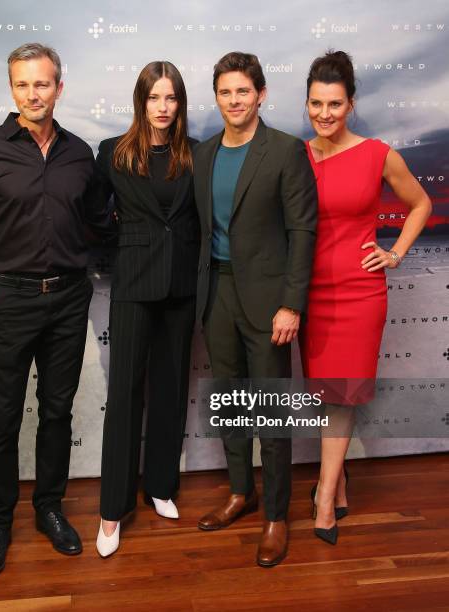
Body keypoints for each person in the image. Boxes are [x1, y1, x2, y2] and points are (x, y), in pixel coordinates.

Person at [0, 43, 114, 577]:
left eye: (43, 84)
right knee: (3, 418)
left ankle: (49, 509)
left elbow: (98, 222)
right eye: (23, 84)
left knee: (57, 413)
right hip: (9, 299)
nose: (33, 94)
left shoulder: (81, 153)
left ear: (59, 87)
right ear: (11, 88)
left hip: (67, 298)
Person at [299, 50, 432, 545]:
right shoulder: (296, 156)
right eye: (316, 103)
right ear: (307, 103)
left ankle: (324, 496)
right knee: (322, 391)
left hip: (359, 292)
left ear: (350, 104)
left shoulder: (377, 153)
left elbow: (419, 203)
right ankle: (339, 478)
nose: (325, 114)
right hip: (308, 292)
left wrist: (394, 252)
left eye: (334, 104)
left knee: (342, 395)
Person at [194, 52, 317, 567]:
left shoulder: (285, 150)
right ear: (217, 97)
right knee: (231, 401)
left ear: (261, 94)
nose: (234, 101)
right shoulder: (203, 155)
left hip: (270, 304)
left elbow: (302, 231)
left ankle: (277, 516)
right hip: (216, 294)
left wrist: (291, 304)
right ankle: (240, 494)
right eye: (225, 92)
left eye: (243, 91)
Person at [94, 61, 200, 557]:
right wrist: (121, 251)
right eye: (154, 97)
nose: (162, 107)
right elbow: (95, 217)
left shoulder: (198, 155)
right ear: (141, 101)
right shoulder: (112, 154)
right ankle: (111, 510)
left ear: (180, 103)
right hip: (134, 286)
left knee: (170, 389)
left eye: (171, 98)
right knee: (124, 398)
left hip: (180, 289)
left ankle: (160, 485)